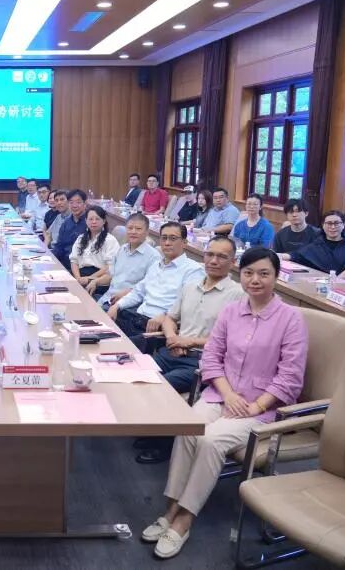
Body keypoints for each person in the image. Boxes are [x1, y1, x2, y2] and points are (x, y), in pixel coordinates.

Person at [143, 247, 306, 560]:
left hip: (261, 406)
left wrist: (256, 406)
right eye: (248, 273)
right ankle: (171, 507)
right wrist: (228, 394)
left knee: (211, 440)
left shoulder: (291, 319)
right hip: (222, 394)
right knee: (188, 428)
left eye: (264, 274)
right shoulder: (231, 311)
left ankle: (185, 519)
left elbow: (290, 377)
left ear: (276, 277)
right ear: (240, 275)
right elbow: (212, 358)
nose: (255, 280)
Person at [134, 237, 245, 465]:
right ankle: (151, 428)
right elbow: (169, 318)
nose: (213, 261)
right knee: (138, 374)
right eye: (210, 255)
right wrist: (173, 338)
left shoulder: (238, 295)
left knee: (165, 385)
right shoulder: (190, 287)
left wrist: (190, 342)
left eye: (222, 257)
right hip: (173, 350)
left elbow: (233, 340)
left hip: (203, 361)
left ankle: (164, 444)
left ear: (233, 262)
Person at [107, 222, 204, 337]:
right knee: (100, 328)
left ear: (184, 243)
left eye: (173, 239)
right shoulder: (156, 265)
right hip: (137, 316)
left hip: (157, 327)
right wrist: (117, 306)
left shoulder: (193, 270)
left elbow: (190, 306)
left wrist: (167, 317)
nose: (167, 243)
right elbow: (138, 292)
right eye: (164, 238)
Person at [99, 213, 161, 308]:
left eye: (138, 229)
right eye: (130, 228)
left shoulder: (154, 257)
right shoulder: (122, 249)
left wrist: (126, 293)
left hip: (127, 305)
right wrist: (95, 281)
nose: (133, 232)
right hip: (107, 298)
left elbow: (148, 288)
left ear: (147, 232)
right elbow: (110, 275)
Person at [281, 210, 345, 281]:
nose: (333, 227)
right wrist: (279, 256)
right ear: (323, 225)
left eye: (337, 223)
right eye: (329, 223)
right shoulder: (317, 243)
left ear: (343, 224)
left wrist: (335, 281)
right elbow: (298, 255)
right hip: (321, 282)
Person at [70, 205, 120, 297]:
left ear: (104, 221)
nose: (93, 222)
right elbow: (74, 261)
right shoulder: (81, 238)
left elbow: (110, 266)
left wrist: (89, 278)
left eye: (97, 219)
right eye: (90, 219)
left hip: (99, 278)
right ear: (86, 221)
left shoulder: (110, 240)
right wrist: (78, 278)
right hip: (80, 275)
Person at [51, 189, 89, 269]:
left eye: (78, 202)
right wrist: (50, 260)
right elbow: (59, 246)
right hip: (64, 264)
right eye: (71, 202)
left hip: (82, 266)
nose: (74, 206)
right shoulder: (66, 223)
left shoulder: (90, 223)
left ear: (85, 204)